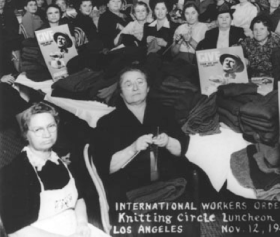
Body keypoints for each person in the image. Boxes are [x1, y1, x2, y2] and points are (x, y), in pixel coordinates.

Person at [0, 103, 109, 237]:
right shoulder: (15, 171)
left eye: (51, 126)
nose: (47, 134)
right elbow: (15, 229)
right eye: (38, 129)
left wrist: (82, 224)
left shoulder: (62, 160)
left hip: (73, 226)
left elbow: (79, 198)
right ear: (25, 134)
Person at [92, 68, 191, 206]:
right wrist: (133, 148)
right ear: (120, 92)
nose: (135, 88)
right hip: (130, 189)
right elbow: (104, 167)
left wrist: (167, 141)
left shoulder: (165, 112)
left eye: (140, 82)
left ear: (148, 87)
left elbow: (181, 149)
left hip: (168, 183)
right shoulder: (107, 123)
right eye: (128, 84)